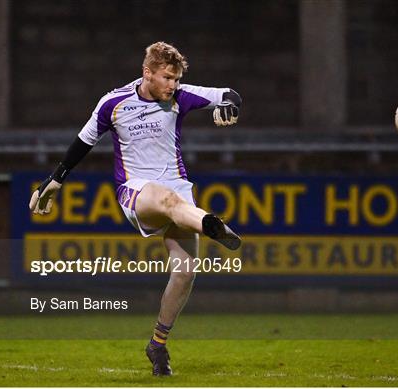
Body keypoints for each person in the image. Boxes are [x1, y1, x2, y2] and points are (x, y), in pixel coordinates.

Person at [28, 41, 242, 376]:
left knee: (185, 272)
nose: (173, 84)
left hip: (178, 190)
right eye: (167, 77)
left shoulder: (180, 96)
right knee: (166, 201)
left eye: (176, 78)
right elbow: (84, 141)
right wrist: (56, 179)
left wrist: (228, 108)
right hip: (137, 192)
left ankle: (157, 344)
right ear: (148, 73)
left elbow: (230, 94)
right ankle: (210, 223)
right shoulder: (114, 103)